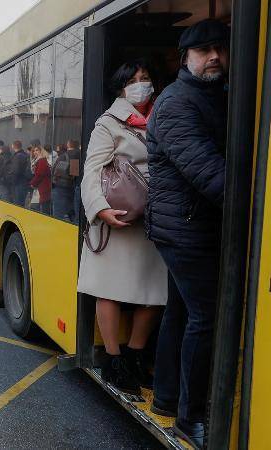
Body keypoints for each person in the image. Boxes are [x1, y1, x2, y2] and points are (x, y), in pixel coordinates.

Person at [146, 19, 229, 447]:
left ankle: (166, 397)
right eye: (204, 50)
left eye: (220, 48)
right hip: (187, 230)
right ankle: (189, 417)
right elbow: (212, 176)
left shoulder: (212, 95)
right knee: (207, 317)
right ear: (185, 59)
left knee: (180, 312)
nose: (214, 56)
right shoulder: (178, 103)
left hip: (189, 224)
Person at [78, 60, 168, 397]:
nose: (141, 84)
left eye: (146, 78)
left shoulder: (163, 116)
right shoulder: (108, 123)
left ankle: (133, 355)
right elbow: (91, 171)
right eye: (133, 80)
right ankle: (113, 360)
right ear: (120, 88)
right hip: (118, 217)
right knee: (111, 289)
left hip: (156, 217)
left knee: (155, 293)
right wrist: (100, 209)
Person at [28, 144, 52, 214]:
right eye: (34, 151)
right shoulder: (39, 160)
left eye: (37, 150)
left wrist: (32, 183)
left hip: (43, 187)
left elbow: (39, 174)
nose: (35, 152)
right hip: (41, 187)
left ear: (41, 151)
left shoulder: (42, 160)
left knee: (43, 207)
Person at [8, 140, 31, 206]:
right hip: (25, 182)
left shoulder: (18, 156)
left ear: (13, 146)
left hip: (18, 183)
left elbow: (16, 171)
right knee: (21, 202)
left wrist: (12, 181)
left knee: (18, 203)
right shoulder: (26, 155)